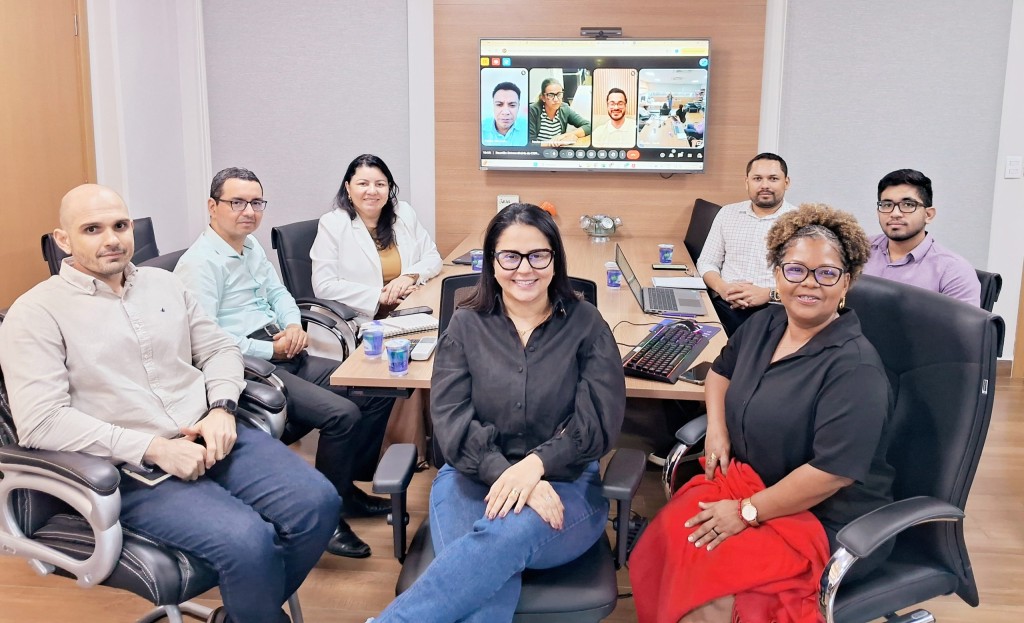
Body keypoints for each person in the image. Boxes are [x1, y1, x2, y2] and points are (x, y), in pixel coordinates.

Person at [0, 184, 339, 623]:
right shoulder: (36, 313)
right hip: (131, 469)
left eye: (120, 225)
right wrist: (154, 448)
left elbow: (219, 349)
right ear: (63, 239)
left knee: (319, 505)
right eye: (92, 229)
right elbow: (41, 422)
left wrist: (221, 407)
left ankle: (244, 614)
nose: (112, 239)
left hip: (210, 433)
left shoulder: (164, 284)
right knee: (247, 541)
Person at [630, 204, 895, 623]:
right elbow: (720, 373)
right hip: (751, 484)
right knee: (670, 535)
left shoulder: (855, 369)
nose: (809, 283)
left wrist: (746, 511)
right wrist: (717, 429)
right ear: (776, 274)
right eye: (796, 270)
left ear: (847, 282)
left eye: (827, 273)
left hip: (822, 518)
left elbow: (832, 473)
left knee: (712, 586)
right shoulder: (765, 324)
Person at [371, 203, 626, 622]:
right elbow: (451, 421)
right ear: (492, 261)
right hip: (471, 479)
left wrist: (535, 467)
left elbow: (597, 424)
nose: (524, 269)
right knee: (485, 573)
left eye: (538, 255)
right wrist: (505, 472)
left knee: (493, 546)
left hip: (564, 485)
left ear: (555, 259)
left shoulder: (587, 324)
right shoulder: (465, 325)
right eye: (510, 256)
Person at [174, 167, 396, 559]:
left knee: (375, 386)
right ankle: (326, 519)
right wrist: (269, 351)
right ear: (212, 206)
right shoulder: (200, 264)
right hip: (248, 367)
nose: (249, 211)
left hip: (281, 348)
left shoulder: (249, 246)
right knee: (342, 414)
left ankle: (343, 491)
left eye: (256, 202)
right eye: (237, 202)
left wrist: (293, 325)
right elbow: (207, 342)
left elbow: (279, 293)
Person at [311, 154, 442, 323]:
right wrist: (379, 296)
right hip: (356, 320)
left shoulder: (404, 212)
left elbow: (432, 257)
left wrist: (409, 276)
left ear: (389, 188)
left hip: (406, 311)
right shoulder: (332, 223)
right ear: (348, 187)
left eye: (380, 184)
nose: (372, 191)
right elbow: (324, 286)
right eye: (363, 184)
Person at [696, 152, 798, 334]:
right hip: (725, 305)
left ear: (786, 182)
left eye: (773, 178)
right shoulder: (727, 213)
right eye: (757, 178)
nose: (765, 185)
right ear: (747, 182)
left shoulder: (800, 223)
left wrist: (768, 294)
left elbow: (806, 283)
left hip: (775, 310)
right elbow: (707, 262)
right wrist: (723, 288)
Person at [863, 169, 981, 306]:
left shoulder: (954, 271)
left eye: (908, 205)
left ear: (928, 215)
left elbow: (961, 320)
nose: (895, 213)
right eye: (887, 205)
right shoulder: (859, 250)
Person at [528, 77, 592, 146]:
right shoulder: (532, 111)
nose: (556, 99)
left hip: (558, 150)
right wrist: (551, 143)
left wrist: (566, 136)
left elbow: (589, 126)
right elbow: (529, 143)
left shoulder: (564, 108)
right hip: (538, 151)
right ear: (543, 97)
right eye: (550, 95)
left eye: (559, 94)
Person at [481, 81, 527, 146]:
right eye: (499, 105)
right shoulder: (479, 129)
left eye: (512, 105)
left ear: (518, 106)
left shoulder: (528, 128)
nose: (505, 112)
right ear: (493, 106)